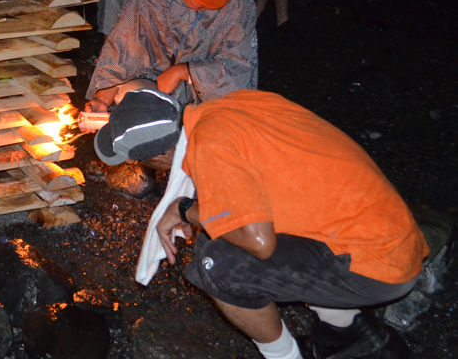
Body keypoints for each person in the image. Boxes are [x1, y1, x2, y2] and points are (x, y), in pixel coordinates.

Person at [93, 86, 429, 359]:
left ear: (157, 157)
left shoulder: (211, 145)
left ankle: (283, 356)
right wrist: (193, 211)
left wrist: (183, 209)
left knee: (216, 265)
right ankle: (348, 329)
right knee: (221, 231)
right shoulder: (230, 106)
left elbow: (259, 243)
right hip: (388, 234)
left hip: (379, 263)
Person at [81, 0, 257, 119]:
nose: (198, 3)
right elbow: (122, 54)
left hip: (208, 99)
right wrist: (102, 100)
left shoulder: (238, 5)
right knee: (131, 96)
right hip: (154, 88)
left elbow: (238, 68)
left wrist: (185, 71)